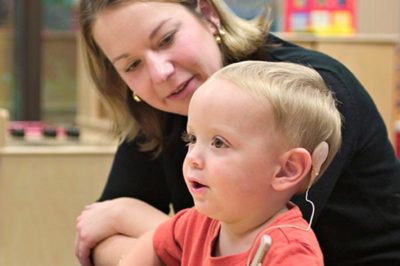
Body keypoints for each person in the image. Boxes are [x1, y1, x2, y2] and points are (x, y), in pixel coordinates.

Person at [75, 1, 400, 266]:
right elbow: (98, 240)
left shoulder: (304, 95)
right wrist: (164, 240)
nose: (160, 73)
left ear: (208, 14)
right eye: (131, 65)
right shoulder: (161, 111)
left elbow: (246, 248)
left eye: (166, 39)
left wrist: (131, 218)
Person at [117, 60, 341, 266]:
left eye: (218, 143)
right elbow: (152, 246)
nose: (193, 157)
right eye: (192, 139)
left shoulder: (291, 254)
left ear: (286, 170)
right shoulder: (196, 222)